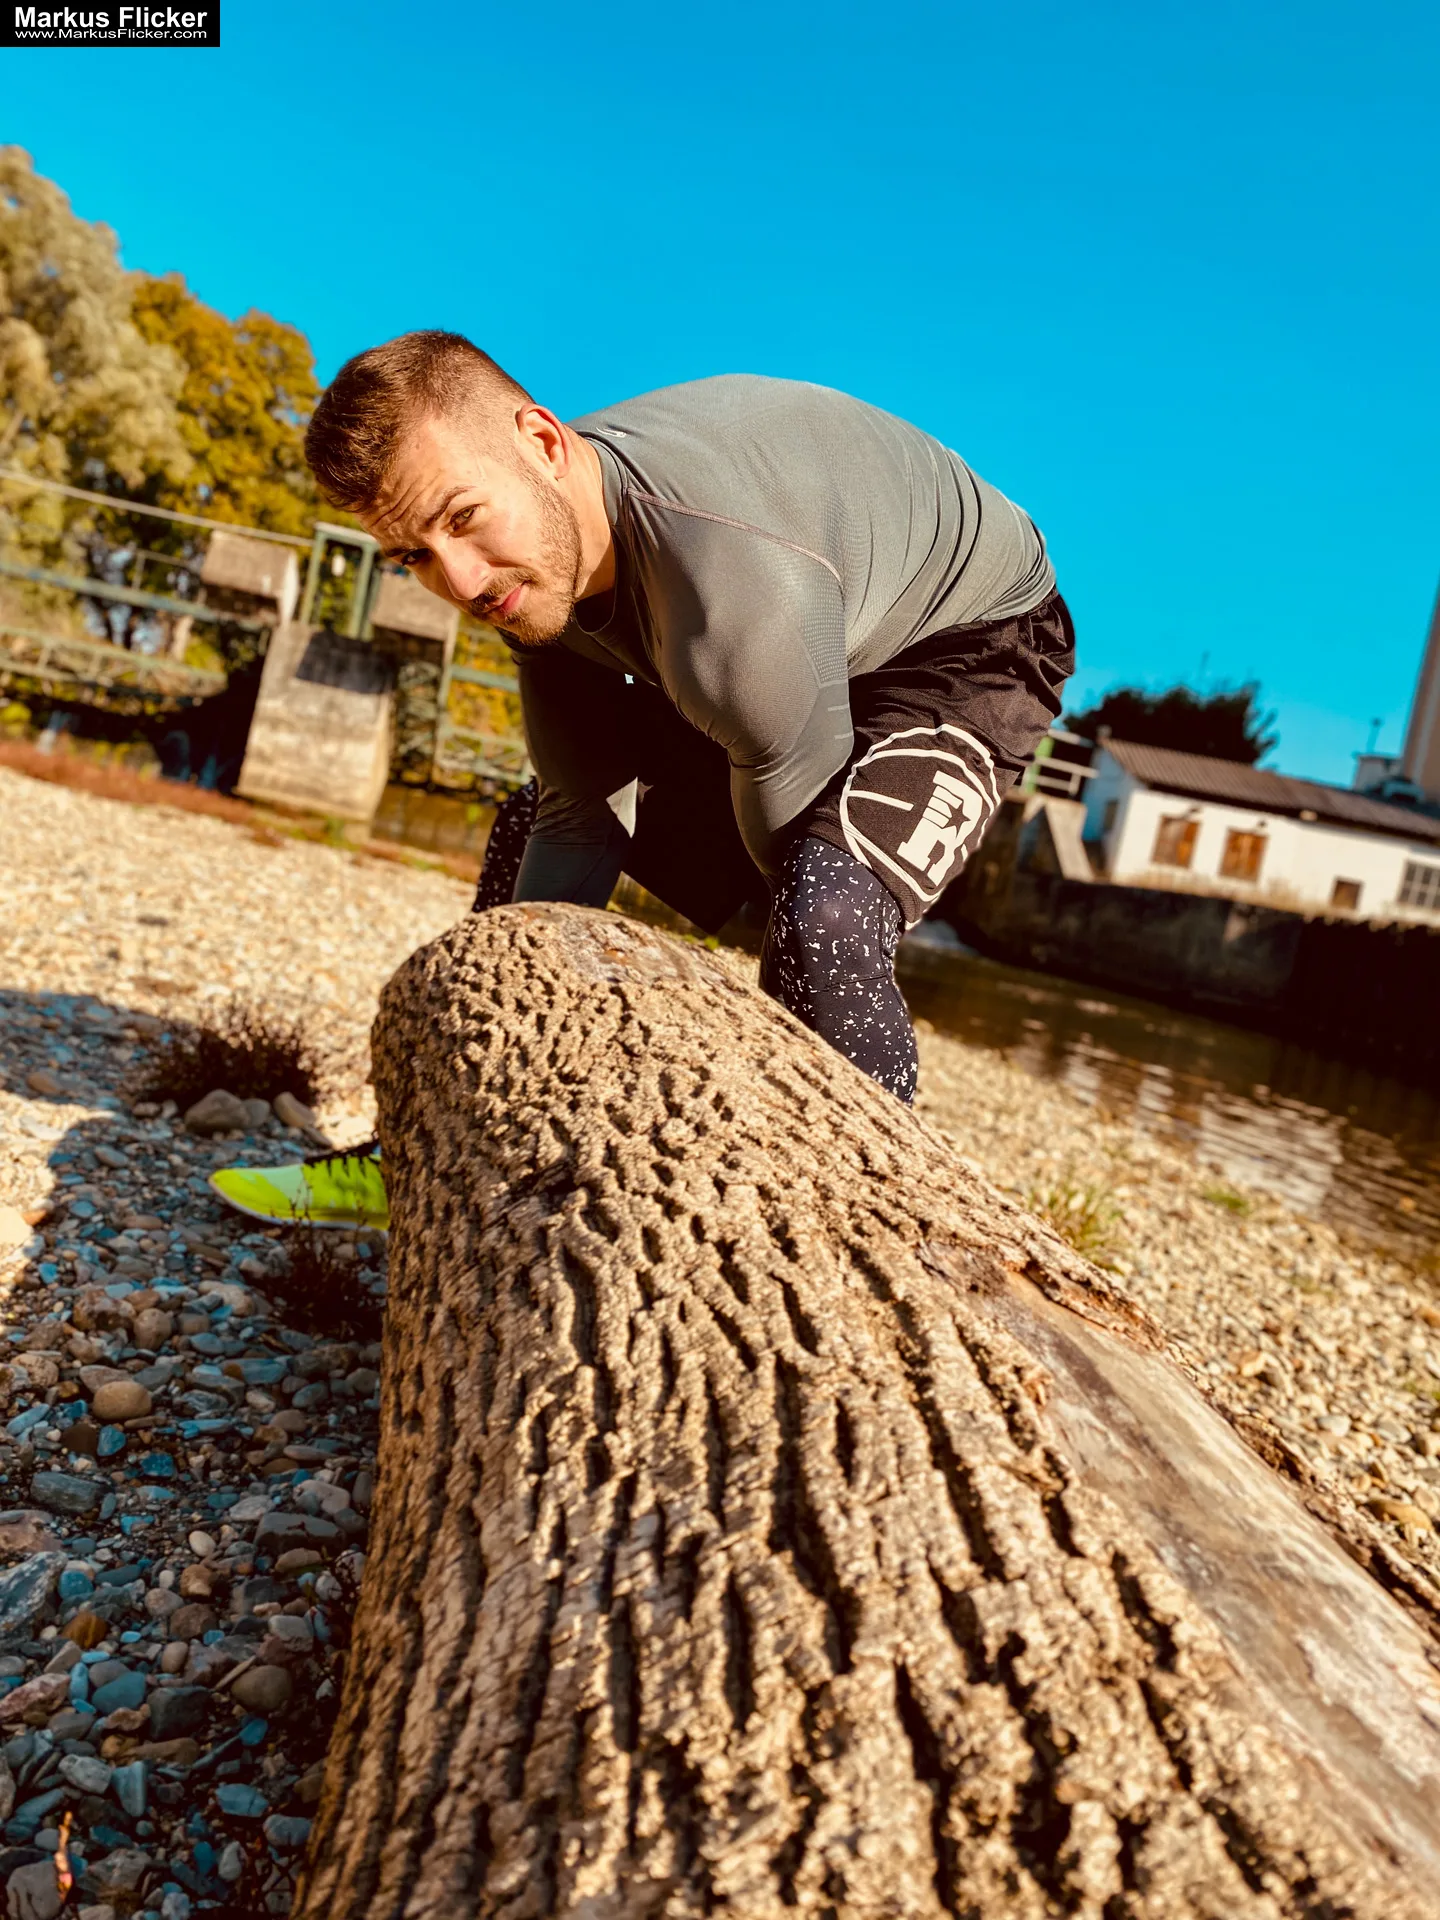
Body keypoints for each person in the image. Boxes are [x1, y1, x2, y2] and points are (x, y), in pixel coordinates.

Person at [211, 332, 1072, 1230]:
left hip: (965, 645)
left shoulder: (724, 585)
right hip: (783, 624)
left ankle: (868, 1234)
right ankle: (423, 1162)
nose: (459, 581)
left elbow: (784, 902)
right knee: (532, 830)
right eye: (411, 557)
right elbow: (579, 817)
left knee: (823, 910)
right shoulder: (528, 556)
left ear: (543, 443)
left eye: (461, 518)